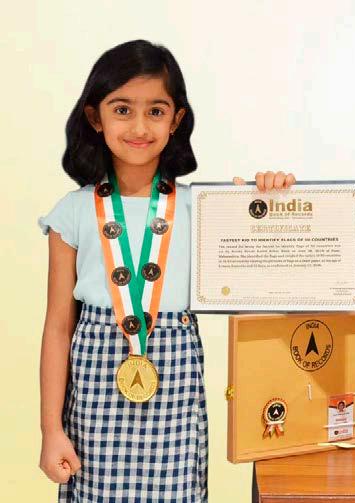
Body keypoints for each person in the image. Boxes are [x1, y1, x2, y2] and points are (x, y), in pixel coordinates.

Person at [37, 39, 296, 502]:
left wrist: (267, 201)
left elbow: (268, 266)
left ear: (176, 120)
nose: (139, 127)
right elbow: (58, 327)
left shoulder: (203, 207)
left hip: (175, 385)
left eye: (156, 111)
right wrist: (50, 430)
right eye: (122, 109)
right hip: (93, 391)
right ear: (95, 117)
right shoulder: (72, 211)